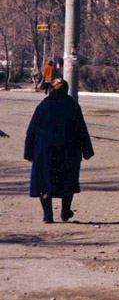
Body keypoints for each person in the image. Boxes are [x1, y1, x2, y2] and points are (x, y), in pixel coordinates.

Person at [23, 78, 94, 223]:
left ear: (51, 90)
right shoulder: (72, 106)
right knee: (68, 181)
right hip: (69, 150)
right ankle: (65, 212)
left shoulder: (43, 106)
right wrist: (87, 150)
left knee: (45, 182)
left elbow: (32, 130)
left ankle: (47, 215)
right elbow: (82, 129)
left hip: (45, 151)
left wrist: (29, 152)